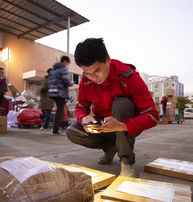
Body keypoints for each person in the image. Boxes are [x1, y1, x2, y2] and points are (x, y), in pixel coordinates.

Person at [66, 38, 159, 177]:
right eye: (87, 73)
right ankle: (110, 148)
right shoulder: (86, 81)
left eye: (97, 70)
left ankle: (126, 162)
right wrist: (84, 118)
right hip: (102, 124)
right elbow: (80, 106)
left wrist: (121, 125)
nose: (93, 77)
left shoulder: (129, 77)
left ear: (108, 59)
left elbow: (152, 116)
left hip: (125, 123)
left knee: (121, 104)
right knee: (72, 131)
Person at [48, 56, 74, 135]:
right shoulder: (63, 69)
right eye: (67, 63)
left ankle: (55, 129)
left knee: (58, 111)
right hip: (60, 93)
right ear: (65, 61)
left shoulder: (53, 70)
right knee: (60, 111)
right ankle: (55, 130)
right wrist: (71, 83)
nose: (67, 65)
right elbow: (65, 81)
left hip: (53, 92)